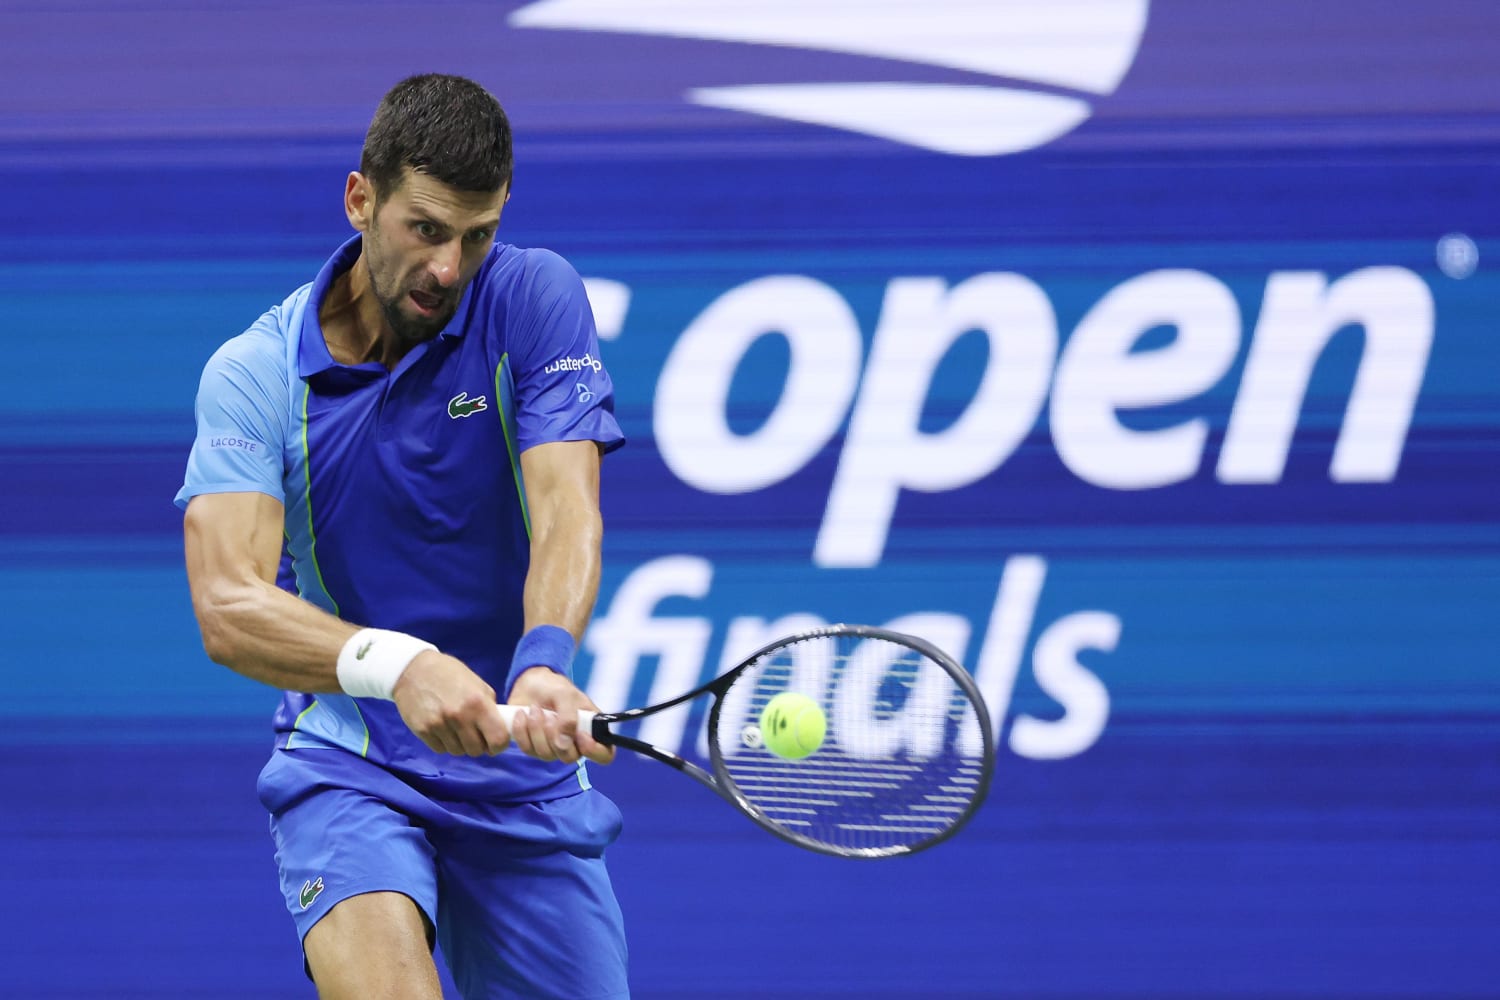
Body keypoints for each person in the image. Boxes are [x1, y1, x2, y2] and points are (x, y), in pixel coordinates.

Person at [176, 74, 629, 1000]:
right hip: (354, 764)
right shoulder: (256, 376)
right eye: (425, 229)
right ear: (361, 200)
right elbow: (228, 607)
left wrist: (543, 659)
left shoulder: (532, 298)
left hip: (516, 772)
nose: (449, 269)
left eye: (478, 235)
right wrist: (398, 665)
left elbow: (566, 505)